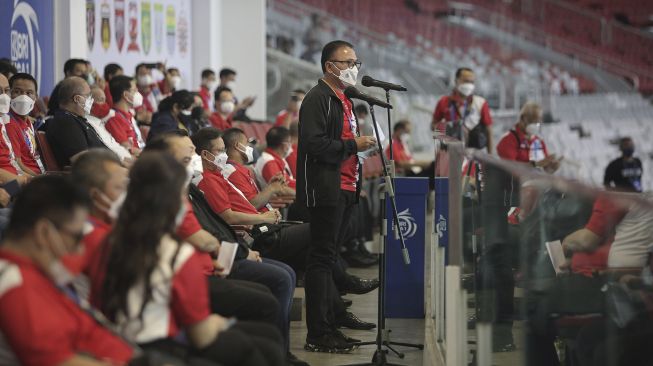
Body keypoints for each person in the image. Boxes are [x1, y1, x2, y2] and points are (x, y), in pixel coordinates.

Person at [89, 152, 285, 366]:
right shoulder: (174, 253)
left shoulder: (104, 238)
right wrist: (218, 323)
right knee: (263, 345)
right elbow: (200, 335)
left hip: (128, 337)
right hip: (158, 346)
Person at [144, 131, 308, 365]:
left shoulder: (190, 189)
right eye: (187, 156)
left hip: (220, 256)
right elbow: (209, 233)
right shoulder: (172, 197)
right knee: (284, 275)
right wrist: (239, 250)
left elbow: (211, 232)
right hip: (215, 263)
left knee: (290, 270)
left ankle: (290, 346)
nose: (195, 159)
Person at [0, 175, 135, 365]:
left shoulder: (39, 271)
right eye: (76, 236)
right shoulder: (16, 288)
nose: (80, 248)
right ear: (44, 232)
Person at [297, 40, 378, 352]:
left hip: (346, 186)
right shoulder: (317, 99)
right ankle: (318, 334)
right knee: (320, 261)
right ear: (329, 66)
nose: (353, 68)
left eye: (355, 61)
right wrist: (353, 146)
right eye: (346, 62)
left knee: (329, 258)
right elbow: (315, 144)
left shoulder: (343, 98)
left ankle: (332, 323)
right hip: (326, 190)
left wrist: (356, 148)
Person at [222, 127, 293, 210]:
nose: (250, 147)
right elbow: (252, 205)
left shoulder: (239, 169)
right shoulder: (233, 172)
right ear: (238, 146)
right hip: (261, 221)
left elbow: (252, 199)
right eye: (247, 143)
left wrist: (269, 188)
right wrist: (272, 188)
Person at [44, 76, 107, 168]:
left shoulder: (77, 118)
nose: (91, 100)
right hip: (97, 176)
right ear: (77, 99)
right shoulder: (66, 122)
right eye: (88, 95)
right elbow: (83, 163)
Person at [432, 67, 493, 152]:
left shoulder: (481, 103)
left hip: (475, 152)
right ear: (456, 81)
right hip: (451, 151)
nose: (469, 85)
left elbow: (489, 131)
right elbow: (433, 125)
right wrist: (447, 129)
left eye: (472, 82)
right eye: (466, 81)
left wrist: (490, 157)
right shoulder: (444, 102)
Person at [7, 73, 44, 176]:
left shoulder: (28, 121)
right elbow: (17, 164)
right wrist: (40, 179)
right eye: (17, 92)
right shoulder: (10, 124)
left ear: (36, 97)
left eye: (29, 93)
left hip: (39, 172)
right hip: (29, 179)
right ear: (9, 94)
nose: (23, 97)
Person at [86, 86, 132, 163]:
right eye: (100, 100)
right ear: (90, 102)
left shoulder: (100, 123)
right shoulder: (89, 124)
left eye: (105, 100)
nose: (104, 104)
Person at [0, 74, 30, 185]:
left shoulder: (3, 121)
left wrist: (31, 179)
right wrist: (25, 181)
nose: (3, 96)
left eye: (6, 91)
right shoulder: (9, 124)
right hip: (7, 187)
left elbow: (12, 162)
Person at [105, 75, 145, 154]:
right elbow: (126, 149)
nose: (138, 93)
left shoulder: (128, 115)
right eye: (134, 90)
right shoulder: (114, 118)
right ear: (126, 95)